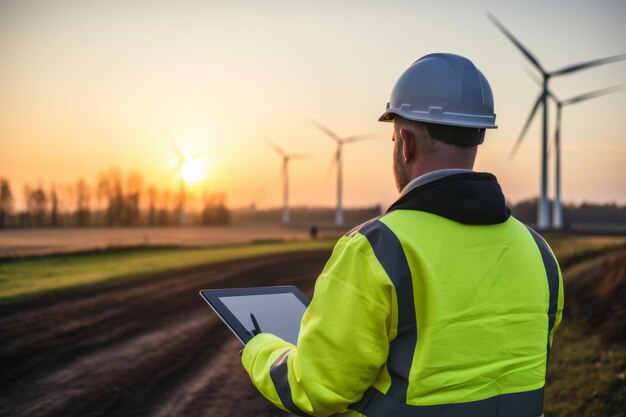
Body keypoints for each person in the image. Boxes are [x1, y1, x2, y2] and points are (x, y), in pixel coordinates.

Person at [241, 53, 564, 417]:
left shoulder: (376, 249)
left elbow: (318, 388)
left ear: (405, 143)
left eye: (393, 137)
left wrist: (258, 348)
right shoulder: (539, 253)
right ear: (477, 138)